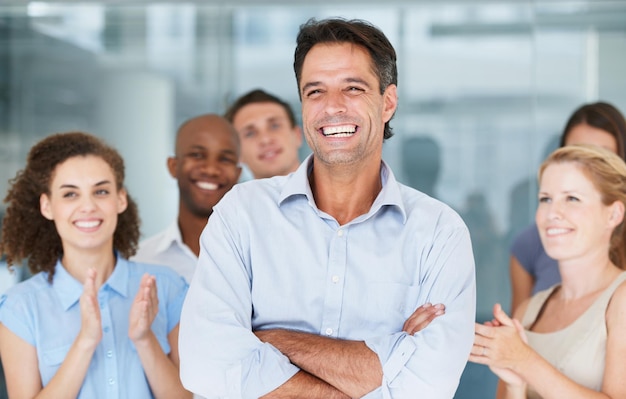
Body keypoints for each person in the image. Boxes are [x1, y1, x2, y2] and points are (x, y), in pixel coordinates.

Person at [179, 17, 475, 399]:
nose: (332, 107)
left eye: (353, 88)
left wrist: (272, 341)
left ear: (387, 102)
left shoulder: (438, 233)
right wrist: (387, 358)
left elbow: (428, 386)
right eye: (315, 91)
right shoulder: (242, 214)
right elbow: (206, 365)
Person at [0, 132, 191, 399]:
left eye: (101, 191)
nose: (88, 206)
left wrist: (144, 339)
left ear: (120, 199)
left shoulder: (168, 288)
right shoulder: (20, 308)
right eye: (70, 194)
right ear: (47, 206)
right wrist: (85, 342)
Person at [471, 144, 626, 399]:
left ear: (613, 214)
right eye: (546, 199)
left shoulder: (620, 298)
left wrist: (524, 361)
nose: (553, 213)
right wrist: (516, 383)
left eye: (572, 198)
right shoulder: (529, 310)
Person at [509, 102, 626, 312]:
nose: (584, 166)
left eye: (600, 157)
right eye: (545, 199)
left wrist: (515, 347)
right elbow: (516, 333)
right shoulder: (531, 244)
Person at [132, 114, 242, 283]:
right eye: (197, 155)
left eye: (225, 159)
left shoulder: (257, 258)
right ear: (173, 166)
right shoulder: (139, 262)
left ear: (237, 174)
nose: (211, 170)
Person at [224, 88, 303, 179]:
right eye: (250, 133)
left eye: (275, 126)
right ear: (238, 154)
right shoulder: (235, 193)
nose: (265, 140)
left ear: (297, 135)